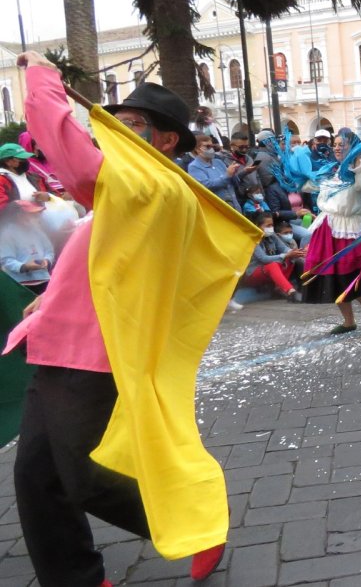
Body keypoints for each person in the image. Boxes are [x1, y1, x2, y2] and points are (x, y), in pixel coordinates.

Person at [9, 51, 226, 586]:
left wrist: (42, 79)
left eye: (128, 124)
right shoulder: (134, 187)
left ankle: (194, 525)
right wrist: (50, 298)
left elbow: (77, 164)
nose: (111, 132)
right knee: (37, 478)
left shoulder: (153, 184)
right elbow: (103, 260)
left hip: (95, 352)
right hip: (58, 341)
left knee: (85, 476)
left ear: (166, 139)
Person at [273, 129, 361, 333]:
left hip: (350, 231)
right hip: (327, 228)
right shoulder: (331, 169)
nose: (336, 148)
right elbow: (311, 186)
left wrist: (355, 161)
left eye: (341, 144)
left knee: (350, 275)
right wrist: (296, 175)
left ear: (354, 148)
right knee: (331, 276)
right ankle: (348, 321)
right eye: (335, 144)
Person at [243, 212, 303, 302]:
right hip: (252, 273)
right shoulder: (253, 239)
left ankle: (279, 288)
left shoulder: (272, 235)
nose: (271, 228)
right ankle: (291, 292)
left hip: (269, 269)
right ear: (258, 226)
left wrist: (295, 252)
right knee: (273, 265)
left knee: (292, 258)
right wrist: (286, 255)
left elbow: (284, 248)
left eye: (272, 225)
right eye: (268, 226)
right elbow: (263, 258)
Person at [188, 133, 256, 211]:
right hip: (216, 208)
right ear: (197, 149)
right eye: (207, 147)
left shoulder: (218, 162)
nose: (211, 149)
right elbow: (205, 186)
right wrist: (227, 175)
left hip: (233, 204)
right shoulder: (194, 166)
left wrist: (242, 172)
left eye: (212, 146)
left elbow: (233, 182)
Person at [0, 200, 54, 293]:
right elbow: (6, 260)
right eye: (31, 214)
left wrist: (47, 260)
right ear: (19, 215)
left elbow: (49, 250)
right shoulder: (7, 233)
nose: (35, 217)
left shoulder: (37, 230)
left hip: (43, 278)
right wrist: (25, 266)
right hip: (21, 283)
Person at [0, 142, 49, 212]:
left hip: (42, 216)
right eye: (22, 159)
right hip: (17, 219)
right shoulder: (2, 179)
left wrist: (49, 197)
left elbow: (54, 195)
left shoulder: (34, 176)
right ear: (8, 162)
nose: (26, 161)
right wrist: (18, 206)